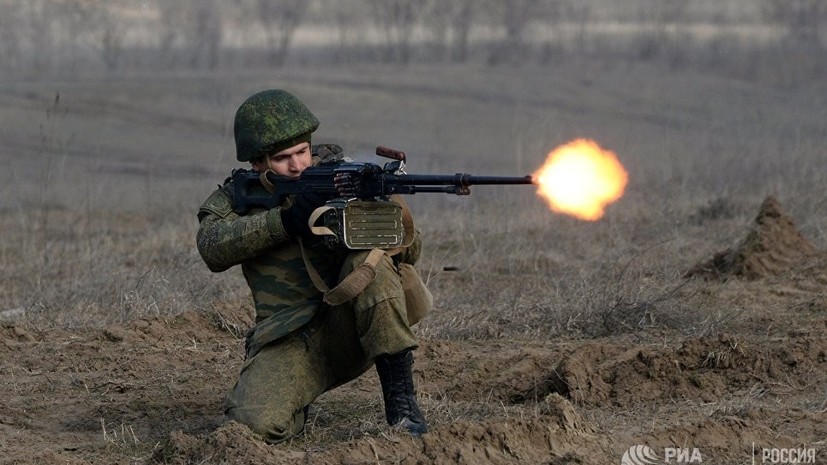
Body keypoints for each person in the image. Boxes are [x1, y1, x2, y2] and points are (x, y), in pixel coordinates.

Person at [195, 89, 428, 444]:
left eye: (302, 151)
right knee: (254, 425)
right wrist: (286, 221)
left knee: (370, 266)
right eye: (282, 158)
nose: (297, 165)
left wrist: (374, 210)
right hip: (290, 338)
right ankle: (295, 398)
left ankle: (403, 406)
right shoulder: (237, 196)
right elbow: (212, 248)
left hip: (356, 324)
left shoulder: (343, 177)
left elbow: (411, 253)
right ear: (257, 163)